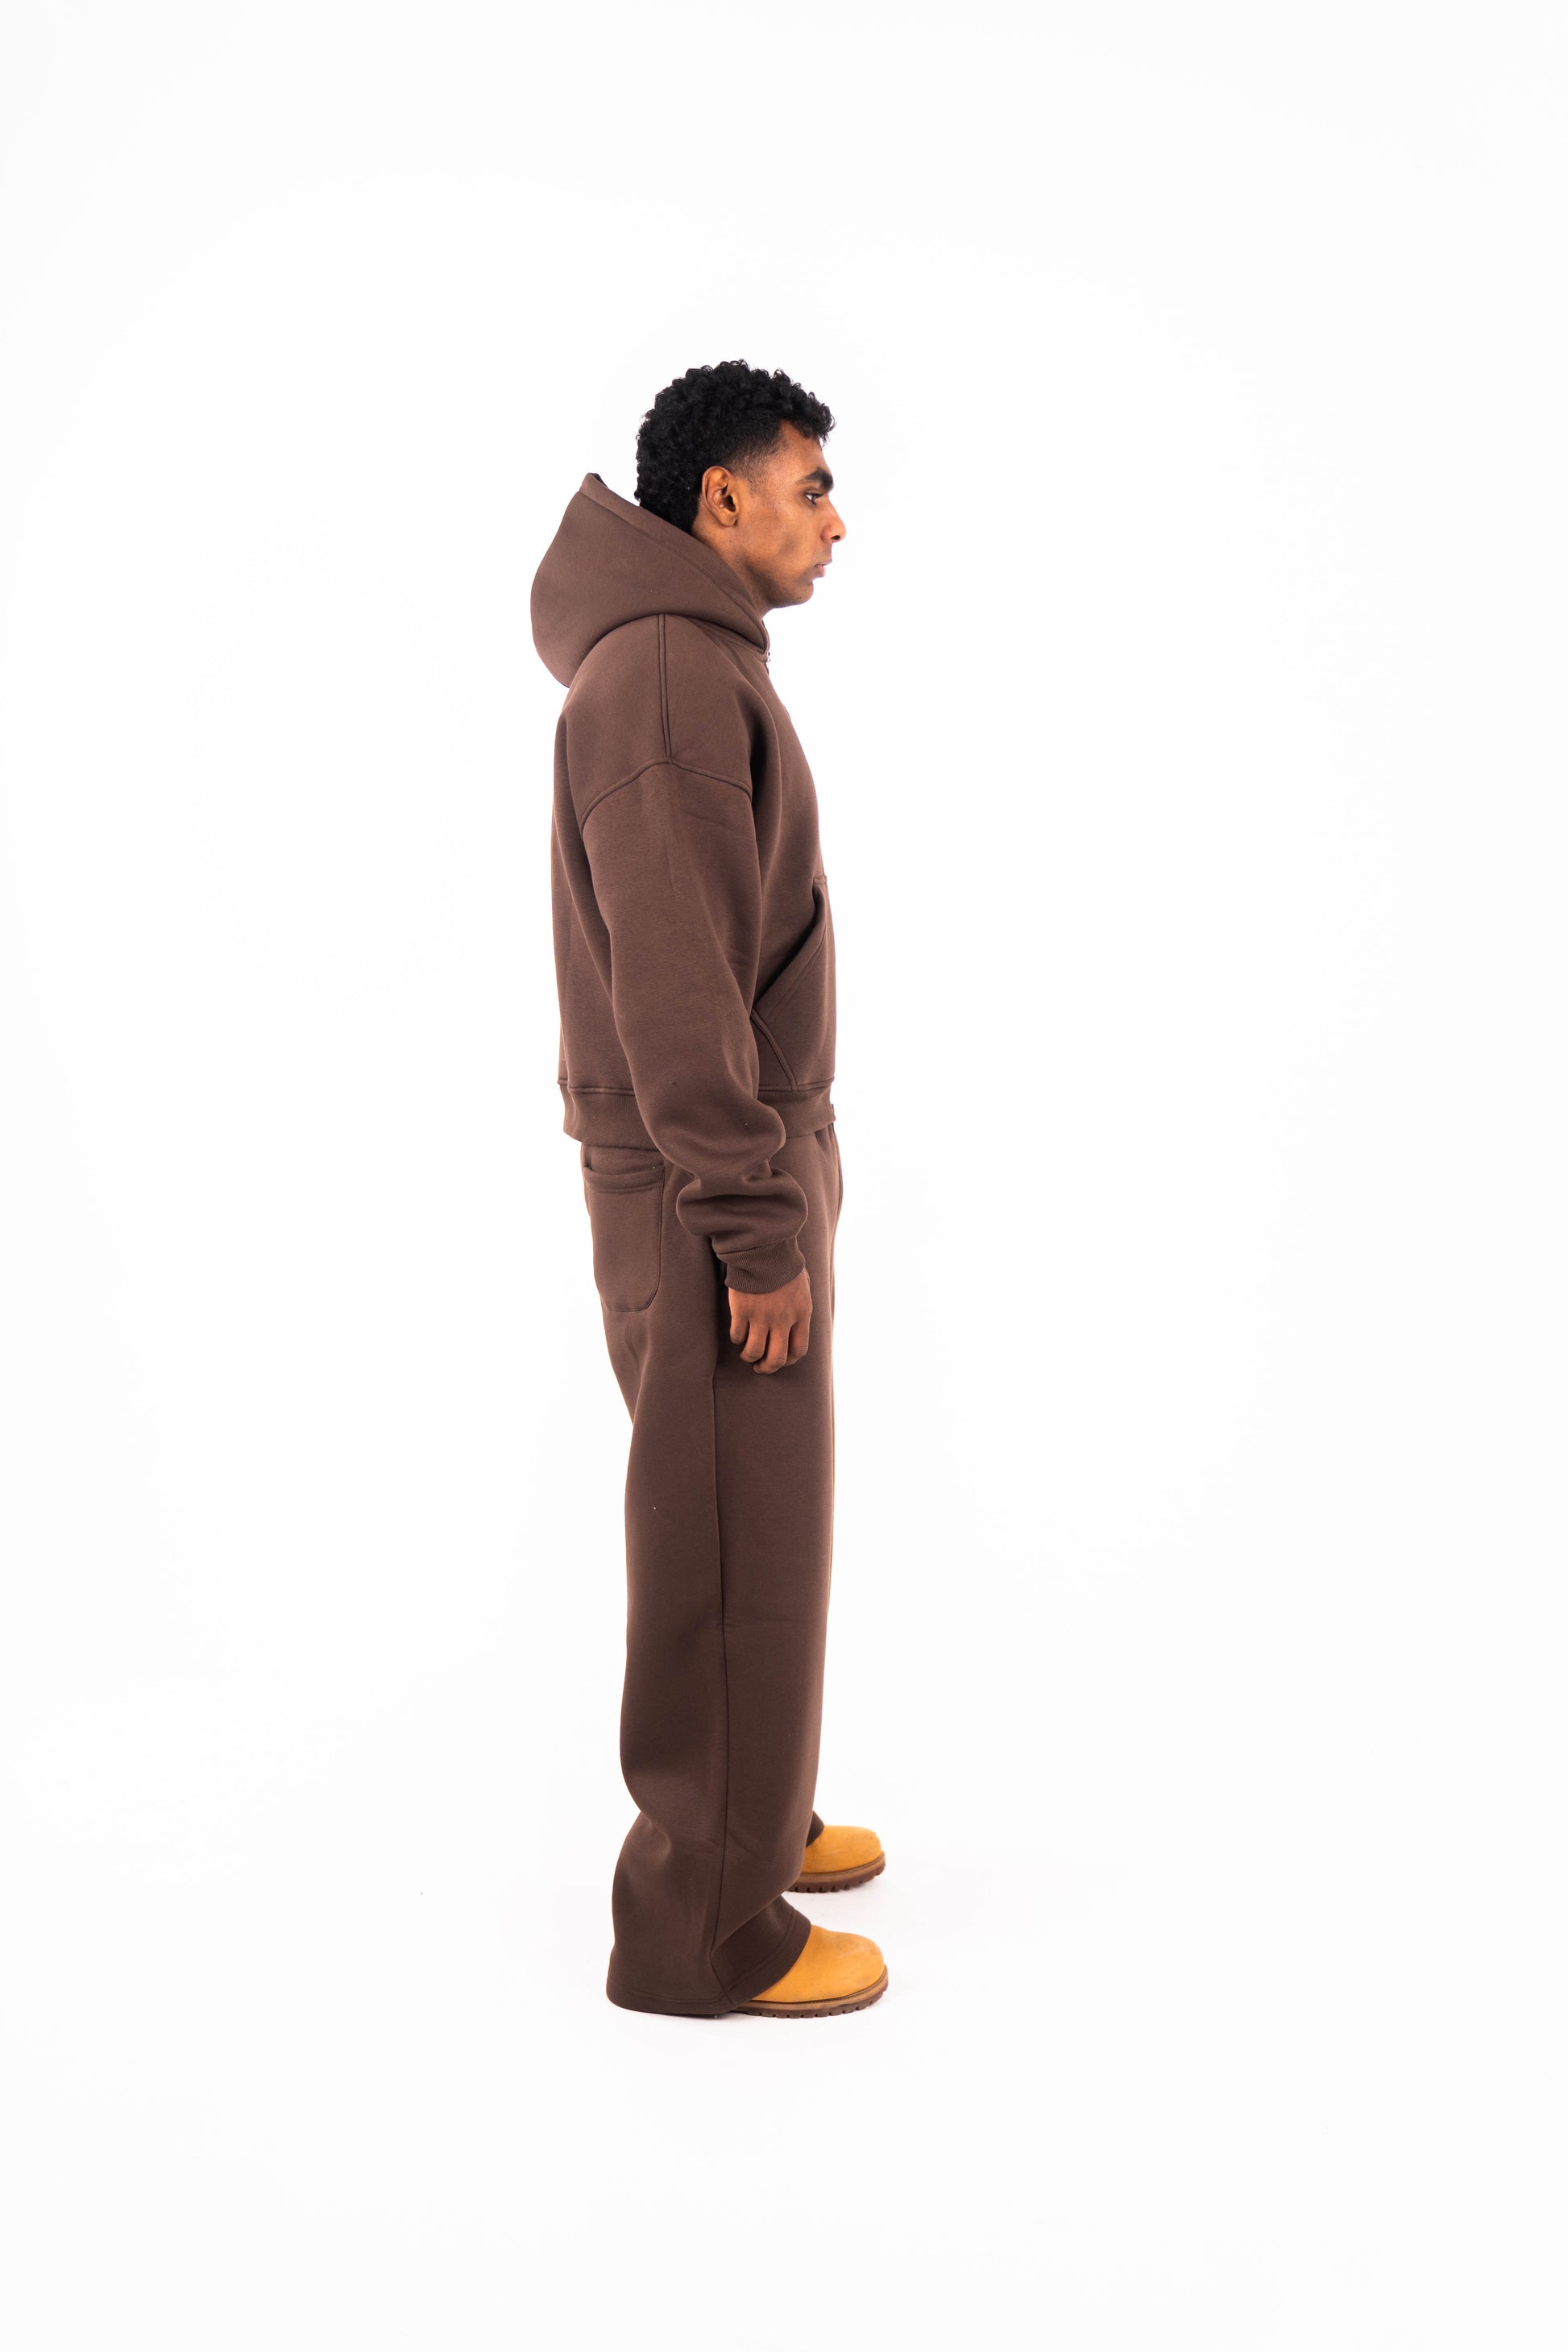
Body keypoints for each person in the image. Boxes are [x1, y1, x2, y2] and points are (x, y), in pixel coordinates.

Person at [530, 359, 887, 2018]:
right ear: (719, 499)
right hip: (708, 1182)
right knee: (728, 1537)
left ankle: (758, 1816)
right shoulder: (670, 676)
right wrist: (752, 1216)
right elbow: (678, 983)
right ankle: (702, 1929)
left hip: (723, 1160)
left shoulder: (682, 659)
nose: (836, 522)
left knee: (757, 1515)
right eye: (810, 488)